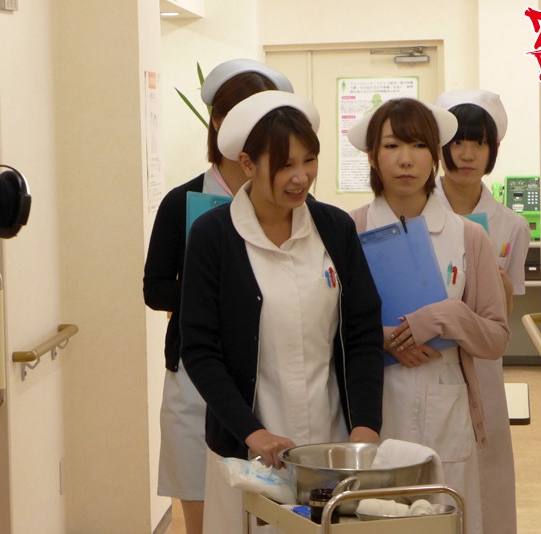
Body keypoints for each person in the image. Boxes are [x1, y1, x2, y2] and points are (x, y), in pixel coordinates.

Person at [180, 90, 384, 533]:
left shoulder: (334, 228)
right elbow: (199, 348)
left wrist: (365, 426)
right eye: (285, 164)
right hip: (248, 452)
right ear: (248, 164)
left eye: (309, 161)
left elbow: (362, 332)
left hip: (331, 445)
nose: (300, 177)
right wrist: (253, 432)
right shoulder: (214, 236)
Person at [142, 58, 293, 534]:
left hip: (272, 371)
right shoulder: (182, 202)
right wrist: (214, 294)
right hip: (194, 374)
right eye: (238, 115)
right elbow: (154, 288)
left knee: (273, 512)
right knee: (204, 514)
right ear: (217, 121)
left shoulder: (295, 206)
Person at [347, 97, 510, 534]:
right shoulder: (348, 230)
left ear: (435, 155)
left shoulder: (468, 236)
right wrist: (383, 338)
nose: (406, 159)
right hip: (372, 404)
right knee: (373, 520)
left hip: (446, 403)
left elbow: (496, 338)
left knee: (445, 519)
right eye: (392, 146)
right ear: (372, 156)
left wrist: (447, 315)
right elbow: (327, 326)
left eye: (419, 146)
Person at [434, 89, 530, 534]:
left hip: (483, 362)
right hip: (428, 355)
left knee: (487, 472)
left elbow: (504, 312)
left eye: (479, 143)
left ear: (493, 150)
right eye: (458, 142)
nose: (467, 154)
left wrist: (497, 283)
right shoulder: (416, 211)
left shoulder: (511, 225)